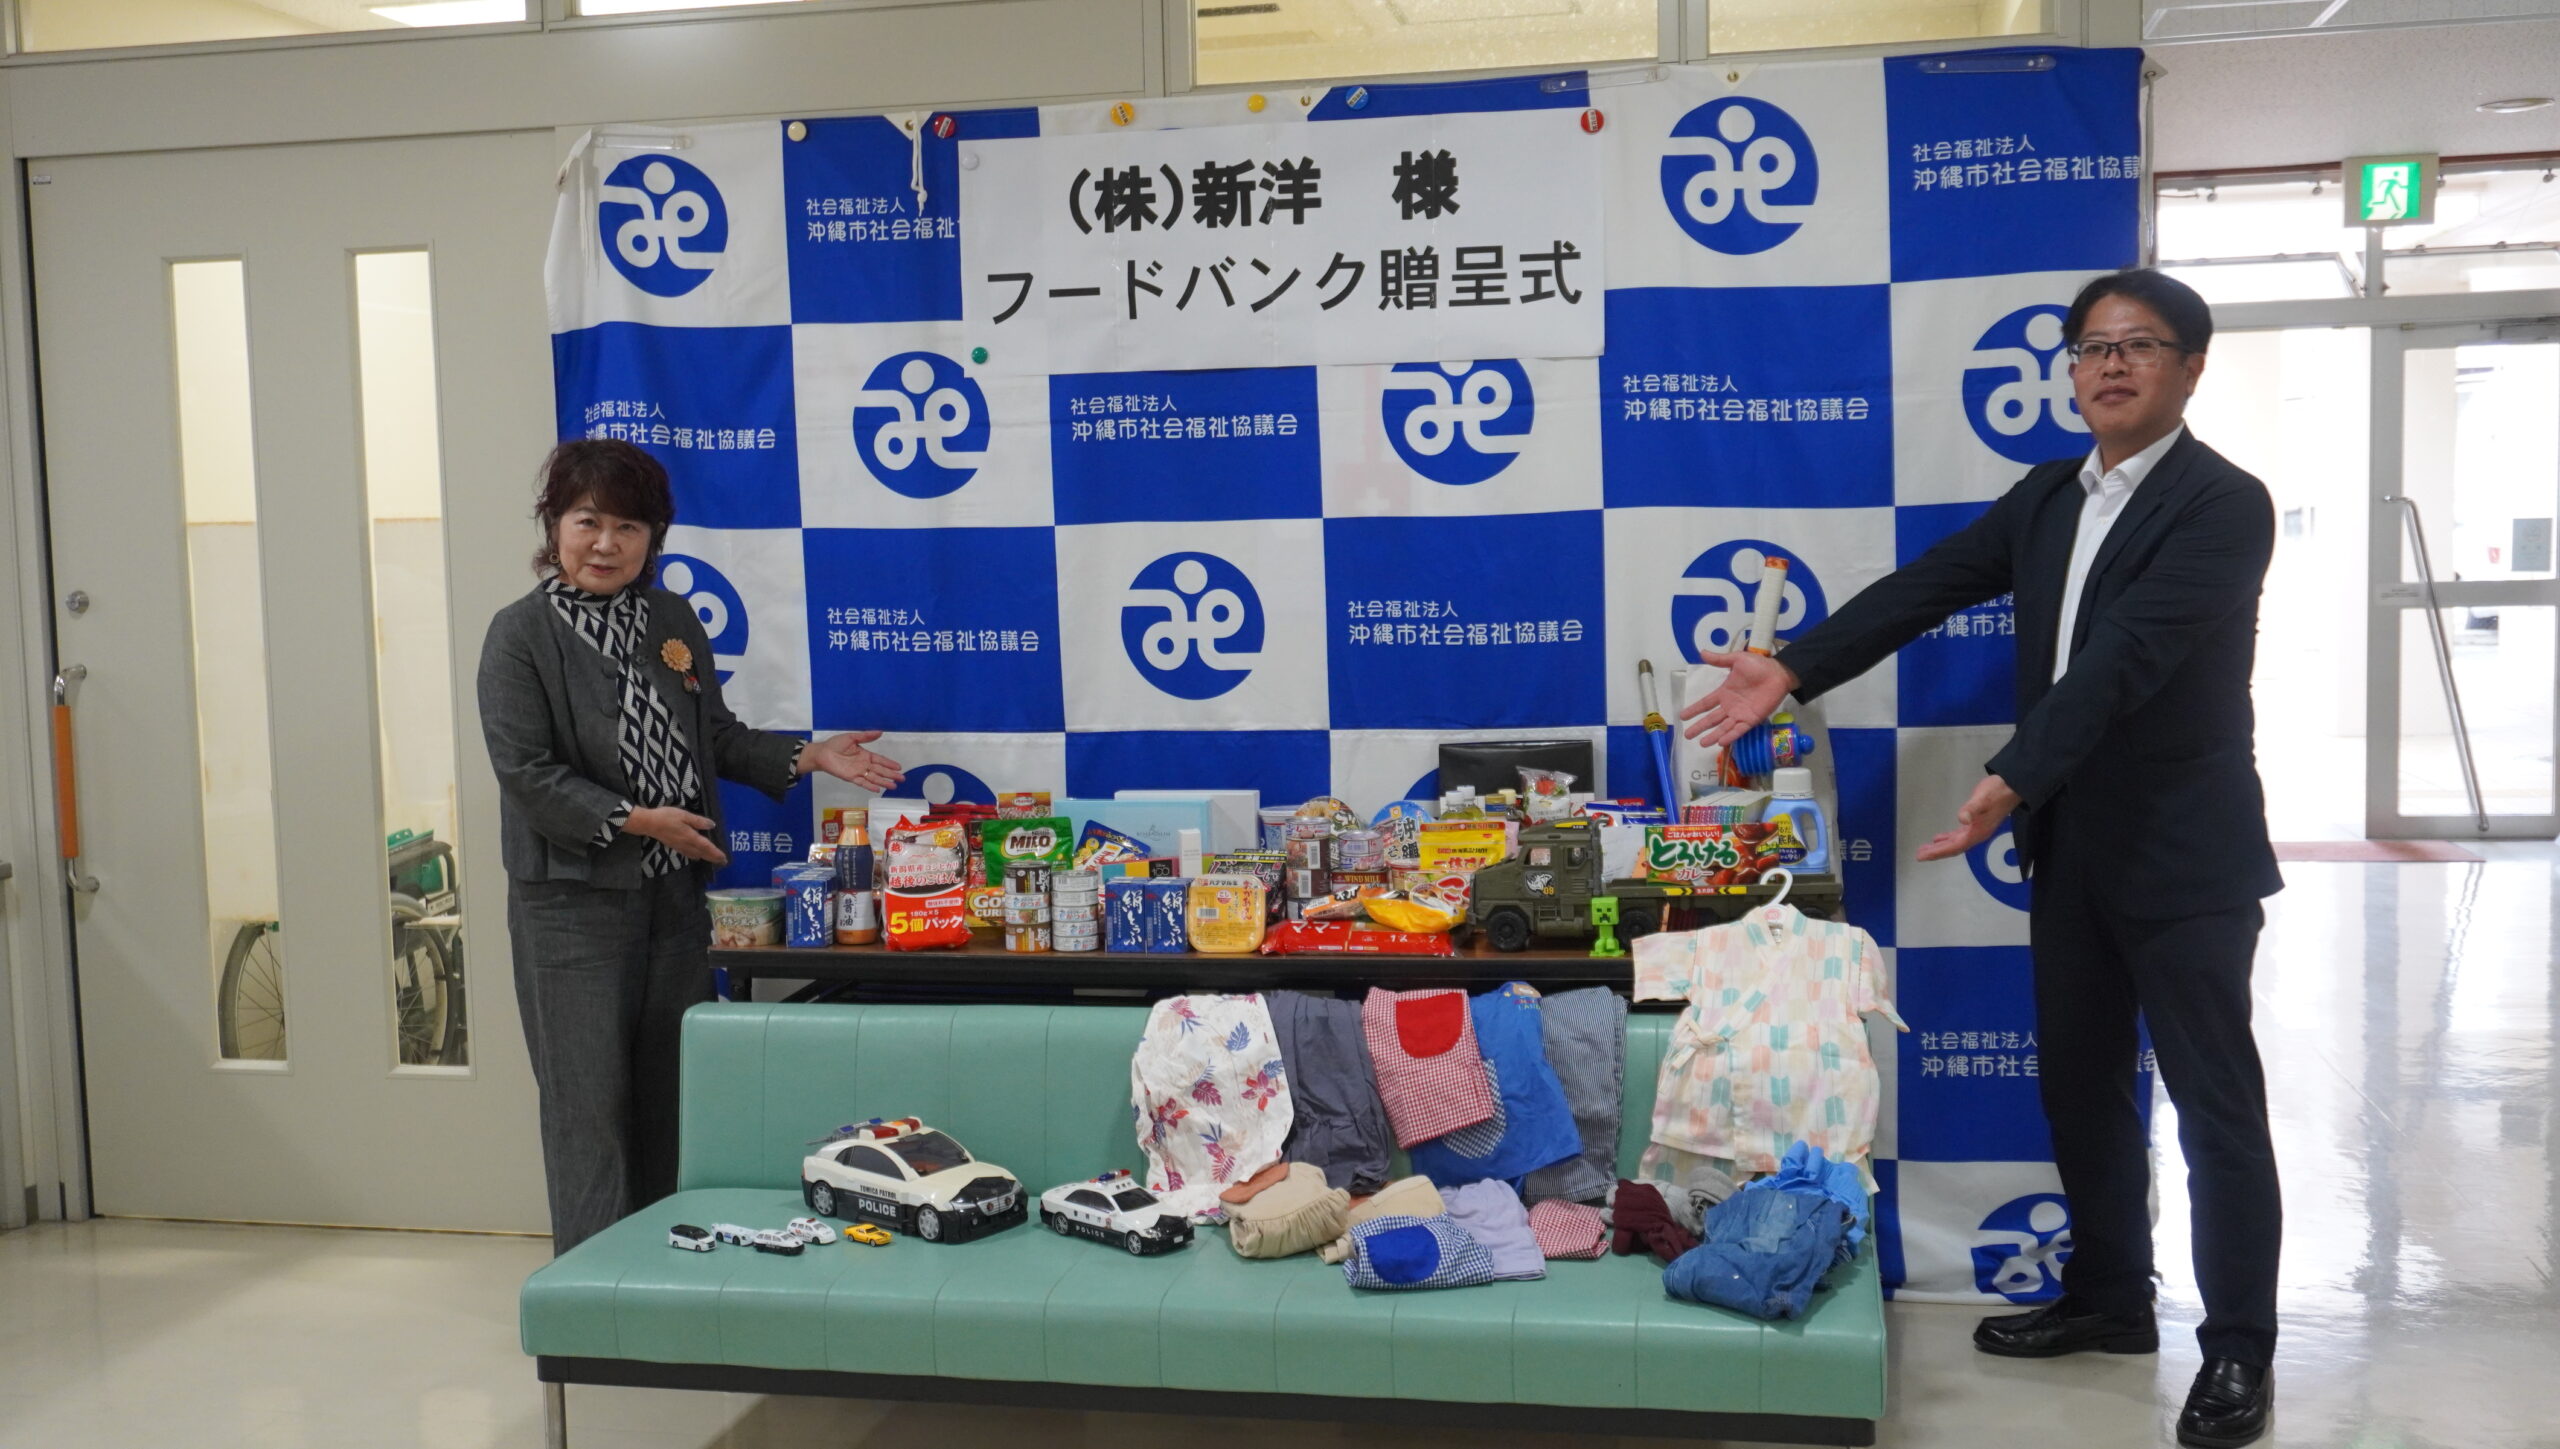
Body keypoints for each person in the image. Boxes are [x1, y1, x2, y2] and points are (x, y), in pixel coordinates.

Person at [1681, 269, 2282, 1449]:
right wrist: (1794, 666)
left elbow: (2126, 658)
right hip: (2074, 846)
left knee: (2215, 1109)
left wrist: (2013, 774)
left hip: (2186, 856)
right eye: (2091, 347)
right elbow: (1932, 584)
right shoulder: (2051, 494)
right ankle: (2110, 1299)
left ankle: (2238, 1349)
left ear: (2189, 369)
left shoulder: (2222, 503)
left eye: (2139, 345)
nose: (2110, 365)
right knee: (2080, 1083)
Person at [478, 439, 905, 1253]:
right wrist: (642, 820)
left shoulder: (671, 619)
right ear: (554, 524)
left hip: (673, 900)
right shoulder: (519, 635)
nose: (606, 544)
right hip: (570, 910)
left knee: (671, 1094)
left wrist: (810, 755)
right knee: (586, 1107)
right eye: (588, 521)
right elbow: (527, 774)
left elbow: (714, 735)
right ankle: (595, 1286)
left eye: (629, 527)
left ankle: (659, 1265)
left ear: (655, 537)